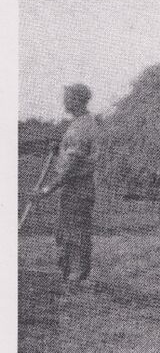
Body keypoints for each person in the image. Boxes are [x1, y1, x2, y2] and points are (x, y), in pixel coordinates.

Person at [33, 84, 100, 282]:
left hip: (78, 187)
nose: (64, 102)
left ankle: (76, 276)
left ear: (77, 100)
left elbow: (72, 166)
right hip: (75, 187)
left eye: (67, 98)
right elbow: (72, 155)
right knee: (67, 230)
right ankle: (70, 273)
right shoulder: (80, 123)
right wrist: (60, 150)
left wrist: (46, 190)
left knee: (75, 231)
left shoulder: (81, 127)